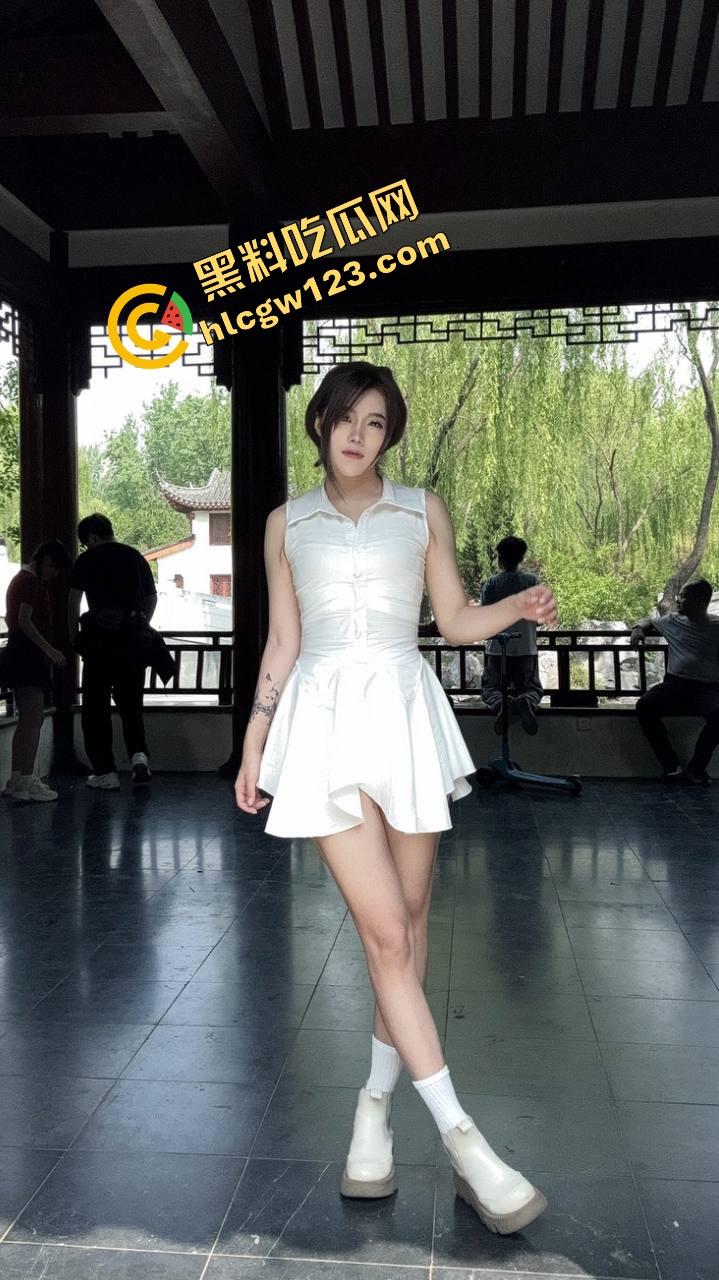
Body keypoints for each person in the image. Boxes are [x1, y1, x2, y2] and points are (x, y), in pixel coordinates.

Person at [234, 362, 558, 1235]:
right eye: (344, 417)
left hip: (404, 713)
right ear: (319, 423)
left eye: (375, 423)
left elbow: (451, 620)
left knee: (407, 933)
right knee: (384, 935)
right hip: (322, 721)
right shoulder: (284, 523)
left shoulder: (421, 510)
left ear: (389, 435)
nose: (357, 434)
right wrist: (256, 741)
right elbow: (283, 641)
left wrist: (516, 609)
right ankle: (464, 1141)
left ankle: (372, 1113)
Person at [68, 514, 157, 789]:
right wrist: (142, 623)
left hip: (98, 644)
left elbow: (73, 601)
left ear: (92, 537)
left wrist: (74, 638)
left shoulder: (86, 560)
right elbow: (151, 597)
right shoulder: (135, 557)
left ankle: (105, 772)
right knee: (131, 704)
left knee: (95, 708)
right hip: (131, 642)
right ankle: (139, 757)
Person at [1, 540, 70, 802]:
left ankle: (17, 779)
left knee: (27, 720)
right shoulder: (32, 583)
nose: (54, 573)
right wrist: (50, 650)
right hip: (28, 655)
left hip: (17, 652)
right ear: (45, 561)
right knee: (33, 719)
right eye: (54, 567)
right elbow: (25, 621)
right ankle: (27, 781)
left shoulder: (19, 580)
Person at [632, 578, 719, 784]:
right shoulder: (673, 620)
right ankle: (671, 766)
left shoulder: (716, 626)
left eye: (684, 597)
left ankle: (697, 768)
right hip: (675, 685)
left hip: (708, 689)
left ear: (701, 601)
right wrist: (637, 629)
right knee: (645, 706)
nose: (679, 600)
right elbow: (648, 621)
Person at [479, 535, 544, 735]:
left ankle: (502, 704)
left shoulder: (491, 584)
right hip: (526, 647)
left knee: (490, 689)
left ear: (500, 558)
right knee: (532, 688)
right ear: (522, 558)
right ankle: (526, 701)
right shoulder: (532, 581)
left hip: (498, 648)